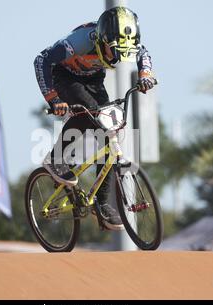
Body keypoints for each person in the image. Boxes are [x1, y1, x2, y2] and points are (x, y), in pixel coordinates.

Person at [34, 6, 156, 230]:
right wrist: (53, 99)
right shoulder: (76, 43)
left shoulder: (125, 41)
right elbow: (41, 60)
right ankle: (55, 158)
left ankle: (102, 205)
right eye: (115, 51)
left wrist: (145, 75)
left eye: (124, 52)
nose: (119, 58)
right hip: (65, 76)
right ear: (101, 40)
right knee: (89, 112)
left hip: (93, 78)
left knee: (108, 135)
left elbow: (144, 54)